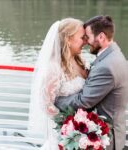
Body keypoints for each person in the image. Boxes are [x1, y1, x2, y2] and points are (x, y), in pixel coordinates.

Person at [55, 15, 128, 150]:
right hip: (110, 131)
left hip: (107, 138)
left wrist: (56, 101)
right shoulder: (114, 55)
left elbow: (84, 102)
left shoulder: (107, 66)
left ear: (101, 37)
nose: (85, 41)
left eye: (87, 37)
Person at [29, 18, 88, 150]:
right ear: (68, 39)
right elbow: (46, 104)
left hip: (82, 130)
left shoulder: (80, 61)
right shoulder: (54, 68)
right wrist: (70, 122)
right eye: (82, 37)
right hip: (63, 131)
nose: (85, 41)